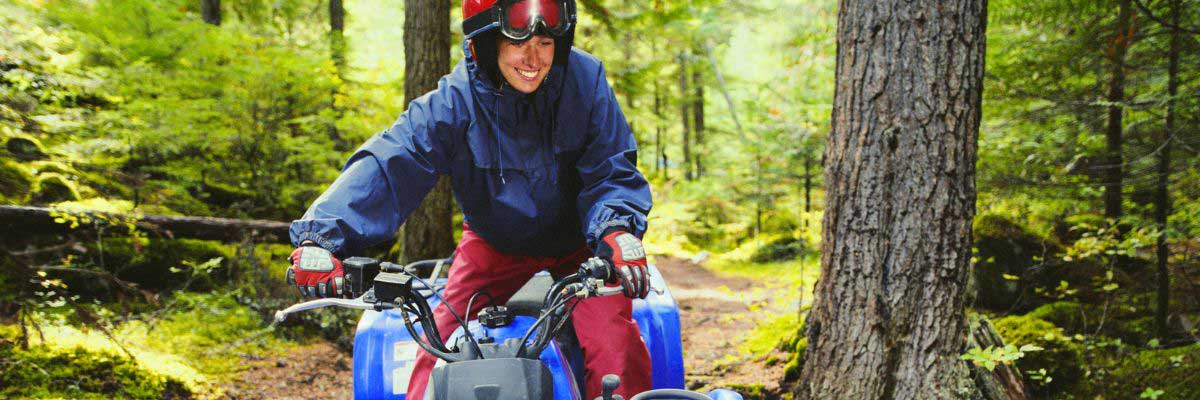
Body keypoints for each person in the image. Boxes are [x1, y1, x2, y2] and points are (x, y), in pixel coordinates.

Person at [283, 0, 654, 398]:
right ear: (487, 43)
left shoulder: (585, 80)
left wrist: (617, 228)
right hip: (494, 245)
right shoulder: (456, 100)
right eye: (518, 43)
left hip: (581, 246)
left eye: (546, 43)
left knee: (615, 348)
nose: (533, 58)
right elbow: (393, 160)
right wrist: (321, 237)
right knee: (435, 347)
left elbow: (612, 168)